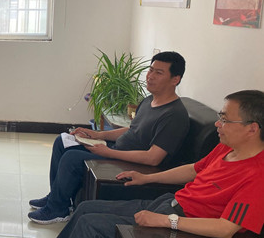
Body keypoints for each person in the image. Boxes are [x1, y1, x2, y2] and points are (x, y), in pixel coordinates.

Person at [17, 90, 264, 238]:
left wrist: (166, 221)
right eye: (219, 117)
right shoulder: (227, 148)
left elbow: (226, 229)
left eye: (225, 119)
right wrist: (147, 178)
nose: (218, 124)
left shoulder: (257, 176)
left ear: (252, 128)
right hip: (170, 203)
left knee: (91, 225)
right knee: (86, 208)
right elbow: (192, 170)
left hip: (183, 225)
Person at [28, 51, 189, 225]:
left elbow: (153, 158)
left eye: (159, 73)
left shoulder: (174, 115)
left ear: (175, 79)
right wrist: (98, 135)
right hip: (116, 149)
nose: (150, 76)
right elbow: (133, 129)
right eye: (150, 70)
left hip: (131, 162)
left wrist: (108, 152)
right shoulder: (149, 100)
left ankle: (57, 210)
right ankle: (56, 197)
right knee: (62, 141)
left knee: (71, 158)